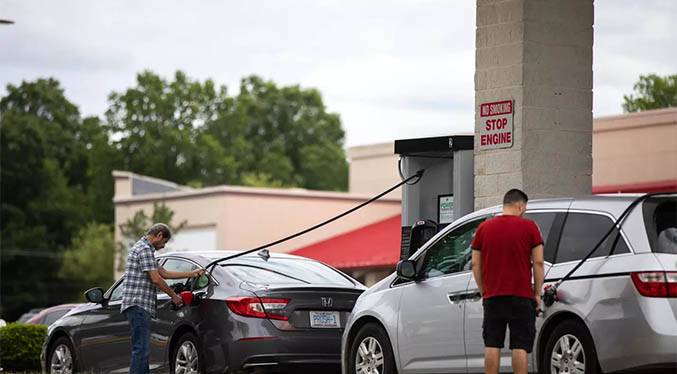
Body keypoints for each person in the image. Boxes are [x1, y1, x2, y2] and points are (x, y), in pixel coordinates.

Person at [471, 189, 545, 374]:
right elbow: (538, 262)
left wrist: (483, 290)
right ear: (520, 206)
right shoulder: (530, 227)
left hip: (493, 296)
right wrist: (537, 293)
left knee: (492, 344)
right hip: (521, 296)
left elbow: (474, 264)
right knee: (519, 345)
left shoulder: (484, 228)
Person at [121, 223, 205, 374]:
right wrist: (174, 296)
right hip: (138, 304)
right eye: (164, 242)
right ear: (159, 235)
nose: (164, 246)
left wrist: (193, 274)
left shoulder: (142, 248)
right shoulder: (144, 249)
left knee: (141, 349)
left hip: (137, 305)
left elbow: (164, 273)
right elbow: (156, 279)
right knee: (141, 349)